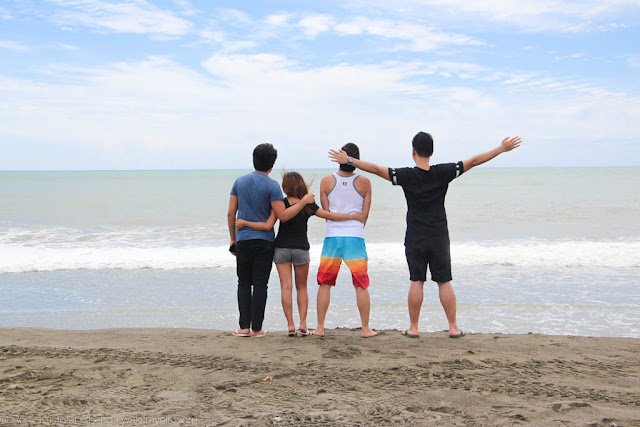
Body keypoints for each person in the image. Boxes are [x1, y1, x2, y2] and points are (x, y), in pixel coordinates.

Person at [329, 133, 521, 338]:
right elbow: (473, 161)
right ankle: (453, 327)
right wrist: (501, 149)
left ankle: (413, 327)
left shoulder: (406, 175)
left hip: (415, 236)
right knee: (444, 281)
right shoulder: (443, 172)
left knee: (416, 281)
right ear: (432, 152)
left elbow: (376, 169)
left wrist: (349, 160)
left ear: (413, 151)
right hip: (439, 235)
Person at [236, 172, 366, 336]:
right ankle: (303, 324)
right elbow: (329, 215)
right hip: (301, 249)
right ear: (301, 185)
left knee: (286, 287)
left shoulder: (280, 203)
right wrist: (352, 216)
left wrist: (245, 223)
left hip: (281, 248)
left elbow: (269, 223)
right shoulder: (308, 205)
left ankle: (290, 324)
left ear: (285, 187)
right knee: (302, 287)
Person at [227, 143, 315, 338]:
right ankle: (257, 329)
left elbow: (231, 213)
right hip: (265, 242)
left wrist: (233, 239)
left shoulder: (239, 182)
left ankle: (243, 328)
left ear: (253, 159)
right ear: (272, 165)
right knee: (260, 284)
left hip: (243, 240)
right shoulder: (272, 186)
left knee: (243, 283)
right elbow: (280, 214)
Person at [313, 143, 378, 338]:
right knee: (361, 284)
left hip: (333, 236)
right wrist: (354, 223)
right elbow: (364, 215)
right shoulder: (365, 182)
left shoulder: (326, 181)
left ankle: (320, 328)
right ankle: (365, 329)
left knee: (325, 283)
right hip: (355, 237)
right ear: (356, 160)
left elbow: (327, 214)